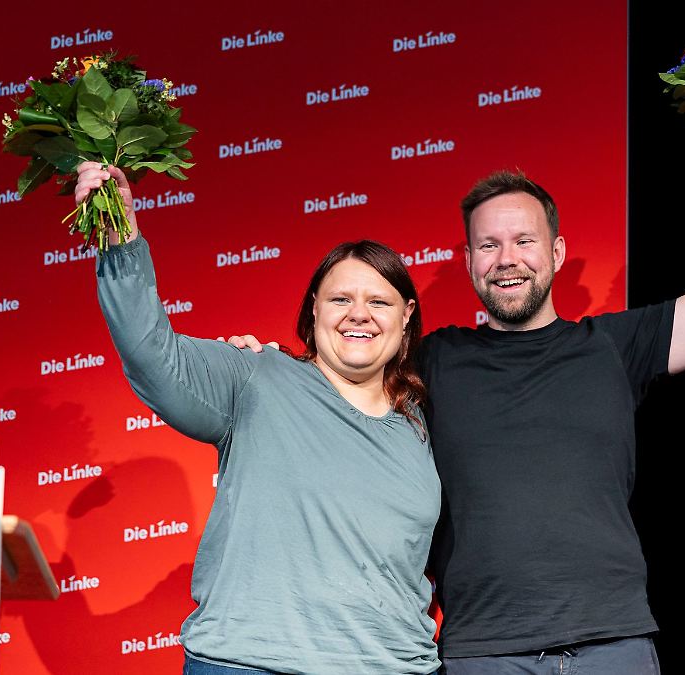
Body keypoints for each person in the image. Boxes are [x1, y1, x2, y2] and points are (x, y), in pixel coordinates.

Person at [226, 109, 685, 673]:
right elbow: (343, 363)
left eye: (524, 241)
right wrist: (270, 365)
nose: (507, 260)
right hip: (485, 651)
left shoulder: (613, 346)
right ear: (470, 261)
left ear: (554, 253)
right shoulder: (432, 360)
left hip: (614, 645)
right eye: (488, 245)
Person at [77, 161, 442, 675]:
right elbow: (151, 355)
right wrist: (121, 244)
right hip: (253, 664)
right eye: (340, 298)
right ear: (314, 309)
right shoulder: (256, 378)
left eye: (378, 301)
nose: (359, 313)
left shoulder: (420, 422)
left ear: (405, 317)